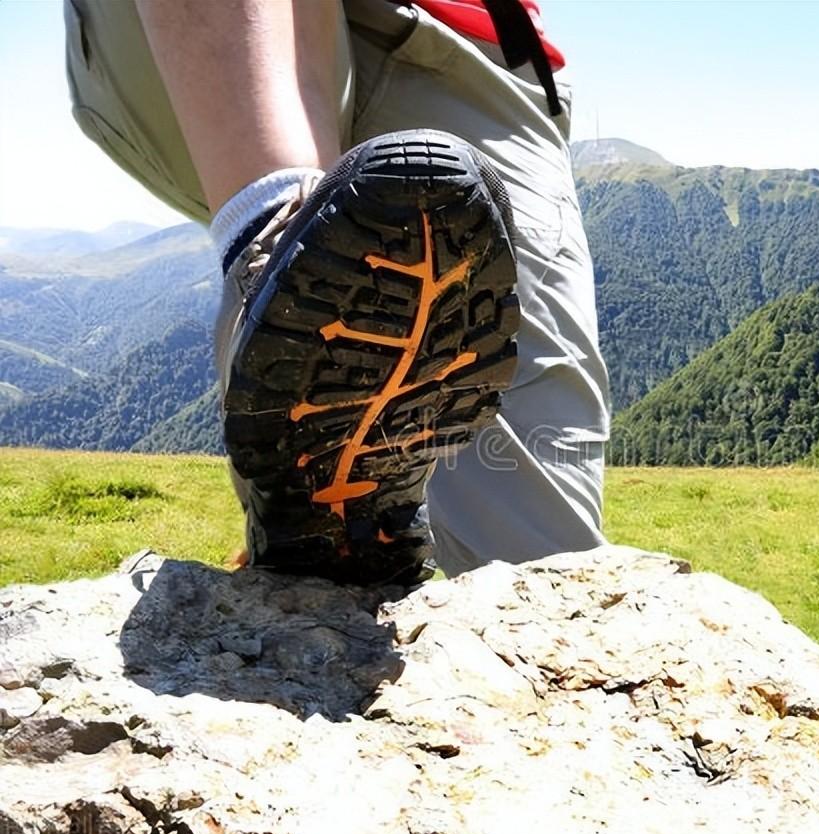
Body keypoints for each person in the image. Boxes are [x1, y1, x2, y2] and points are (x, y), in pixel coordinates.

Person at [63, 0, 610, 583]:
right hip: (204, 31)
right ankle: (278, 244)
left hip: (475, 54)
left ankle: (304, 458)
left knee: (549, 568)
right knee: (538, 565)